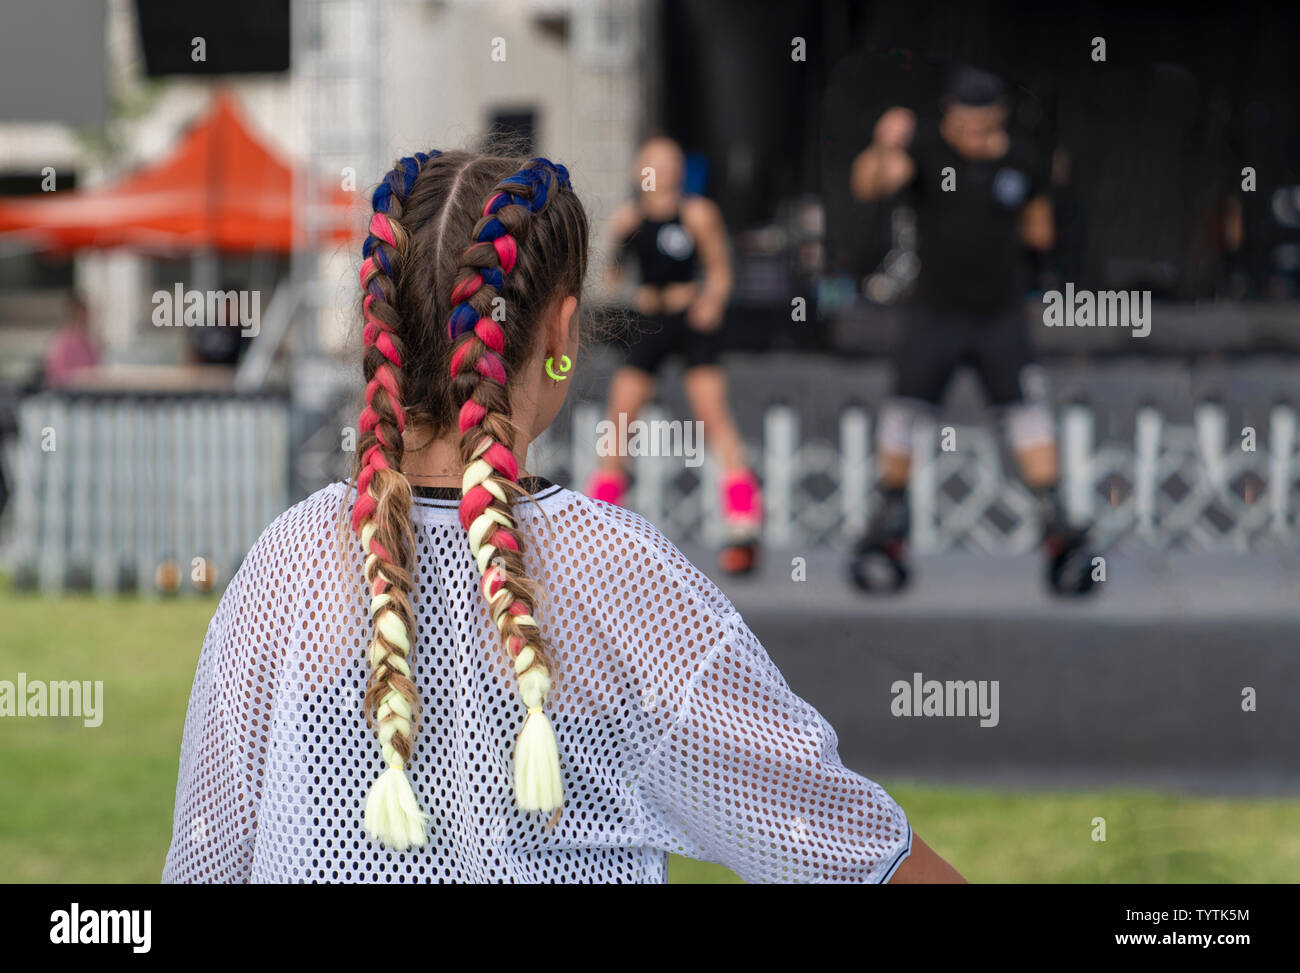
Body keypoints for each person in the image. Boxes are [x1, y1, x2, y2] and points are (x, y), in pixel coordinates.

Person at [161, 149, 963, 883]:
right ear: (559, 331)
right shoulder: (616, 572)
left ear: (382, 332)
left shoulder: (287, 561)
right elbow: (854, 855)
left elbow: (206, 861)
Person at [848, 65, 1095, 594]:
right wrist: (884, 146)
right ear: (949, 117)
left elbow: (1039, 226)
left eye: (981, 126)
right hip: (934, 312)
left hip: (998, 315)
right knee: (905, 408)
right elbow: (871, 184)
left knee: (1027, 409)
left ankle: (1055, 518)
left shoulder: (1023, 160)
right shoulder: (926, 152)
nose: (971, 136)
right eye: (962, 124)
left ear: (998, 117)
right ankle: (888, 515)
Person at [586, 135, 763, 575]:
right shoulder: (629, 219)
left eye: (670, 162)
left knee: (712, 416)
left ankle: (744, 525)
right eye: (653, 162)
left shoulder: (698, 213)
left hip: (690, 319)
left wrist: (710, 303)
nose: (661, 170)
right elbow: (612, 275)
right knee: (620, 418)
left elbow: (720, 270)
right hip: (649, 321)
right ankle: (597, 525)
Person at [42, 291, 100, 387]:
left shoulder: (87, 341)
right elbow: (57, 376)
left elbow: (95, 368)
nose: (87, 319)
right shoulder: (61, 342)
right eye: (83, 315)